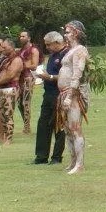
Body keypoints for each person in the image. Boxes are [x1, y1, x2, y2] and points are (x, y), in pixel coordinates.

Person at [57, 20, 91, 175]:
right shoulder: (70, 50)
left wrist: (70, 96)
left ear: (76, 33)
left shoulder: (80, 50)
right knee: (68, 131)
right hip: (63, 92)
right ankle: (72, 162)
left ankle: (80, 164)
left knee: (75, 129)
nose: (65, 35)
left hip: (72, 94)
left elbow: (77, 74)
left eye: (68, 32)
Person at [32, 31, 67, 165]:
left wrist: (51, 77)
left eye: (48, 45)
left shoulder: (66, 55)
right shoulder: (53, 55)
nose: (47, 48)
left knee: (59, 126)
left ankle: (57, 157)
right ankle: (41, 157)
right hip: (48, 94)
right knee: (43, 125)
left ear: (57, 42)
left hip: (60, 94)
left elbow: (67, 76)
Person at [0, 38, 22, 145]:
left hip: (10, 89)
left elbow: (11, 75)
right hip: (1, 89)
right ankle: (4, 136)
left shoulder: (17, 60)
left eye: (4, 47)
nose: (2, 49)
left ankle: (9, 138)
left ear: (11, 47)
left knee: (8, 114)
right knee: (2, 115)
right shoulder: (4, 59)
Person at [16, 30, 42, 135]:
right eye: (20, 36)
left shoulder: (33, 50)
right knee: (19, 103)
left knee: (25, 102)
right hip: (20, 79)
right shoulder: (21, 50)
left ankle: (27, 127)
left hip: (28, 77)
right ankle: (25, 124)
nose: (21, 38)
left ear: (29, 38)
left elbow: (34, 65)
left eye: (23, 36)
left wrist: (21, 65)